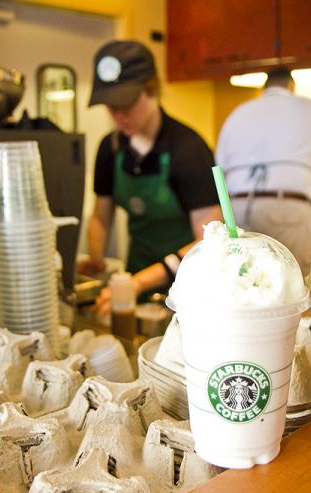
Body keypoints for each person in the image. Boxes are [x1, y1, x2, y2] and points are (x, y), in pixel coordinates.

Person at [79, 40, 221, 312]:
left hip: (188, 285)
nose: (119, 116)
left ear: (152, 90)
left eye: (127, 103)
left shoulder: (188, 150)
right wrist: (96, 259)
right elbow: (101, 215)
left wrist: (141, 282)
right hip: (137, 273)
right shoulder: (110, 148)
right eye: (110, 106)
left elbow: (209, 241)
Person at [216, 67, 311, 275]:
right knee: (297, 286)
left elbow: (220, 170)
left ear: (263, 88)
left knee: (242, 288)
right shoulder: (308, 107)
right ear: (292, 87)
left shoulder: (238, 113)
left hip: (235, 211)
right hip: (287, 211)